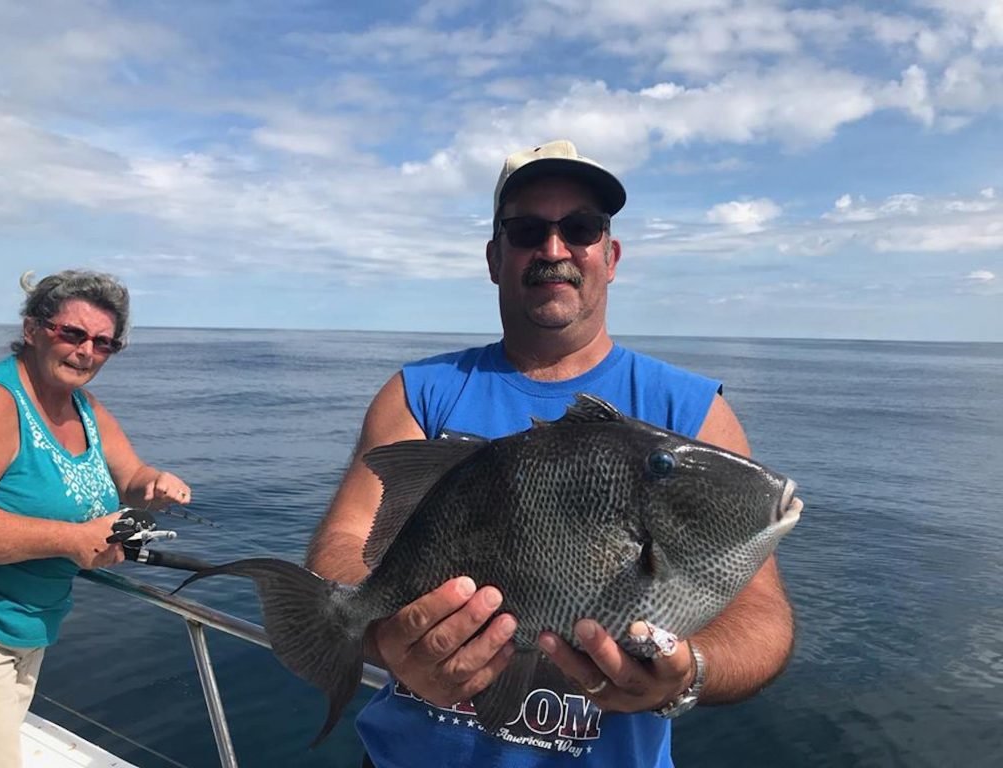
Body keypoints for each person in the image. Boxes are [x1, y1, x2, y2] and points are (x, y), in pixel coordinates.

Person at [308, 140, 794, 766]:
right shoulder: (419, 393)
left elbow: (762, 618)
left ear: (610, 255)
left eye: (581, 228)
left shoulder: (692, 412)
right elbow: (343, 546)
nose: (555, 249)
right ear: (494, 257)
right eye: (529, 230)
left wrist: (689, 671)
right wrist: (384, 635)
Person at [0, 270, 192, 768]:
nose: (86, 351)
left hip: (27, 635)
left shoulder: (84, 407)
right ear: (33, 329)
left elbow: (132, 476)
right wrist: (73, 540)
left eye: (103, 343)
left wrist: (155, 485)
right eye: (71, 333)